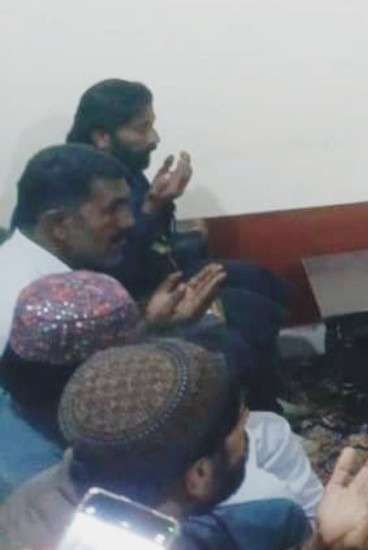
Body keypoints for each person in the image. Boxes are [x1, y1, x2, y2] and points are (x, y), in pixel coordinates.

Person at [0, 339, 368, 550]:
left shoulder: (67, 497)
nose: (247, 437)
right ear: (199, 474)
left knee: (280, 516)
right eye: (239, 429)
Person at [0, 271, 323, 516]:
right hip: (162, 504)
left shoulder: (53, 396)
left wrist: (157, 327)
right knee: (274, 502)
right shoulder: (35, 475)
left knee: (270, 429)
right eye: (132, 348)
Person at [66, 80, 292, 413]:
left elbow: (153, 238)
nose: (154, 138)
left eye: (152, 126)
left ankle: (269, 390)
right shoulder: (82, 185)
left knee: (262, 280)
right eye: (142, 129)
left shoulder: (126, 170)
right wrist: (152, 210)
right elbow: (116, 266)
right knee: (250, 311)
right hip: (135, 296)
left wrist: (163, 205)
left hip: (159, 269)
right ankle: (260, 411)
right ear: (102, 136)